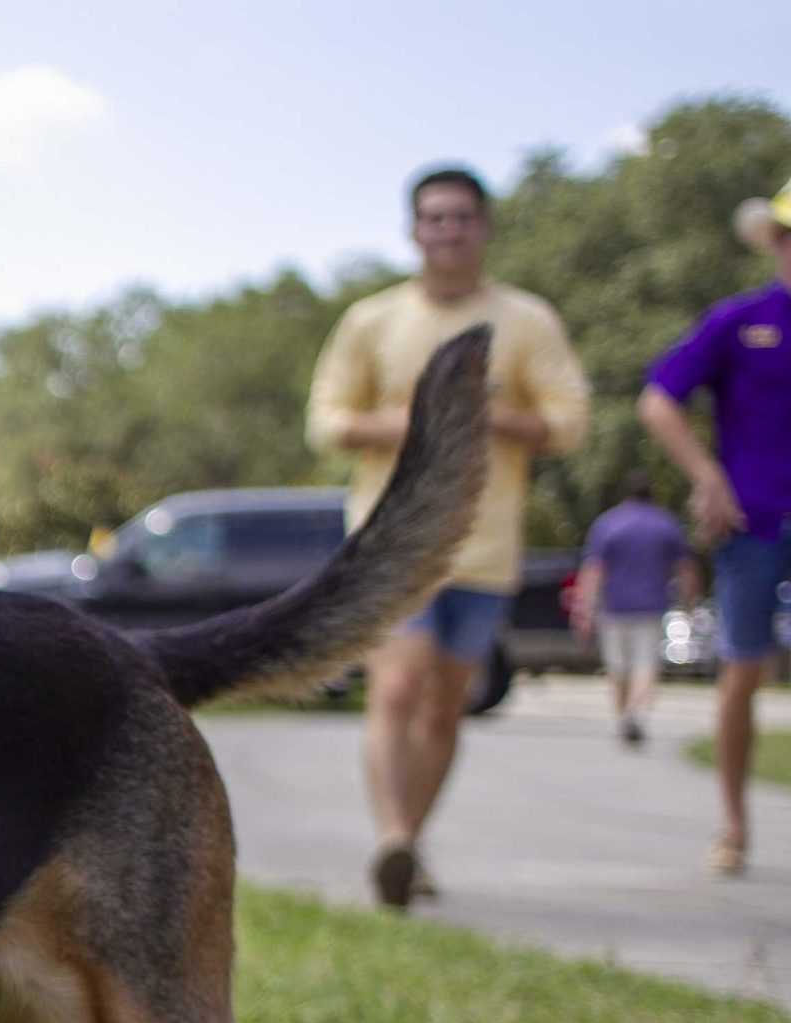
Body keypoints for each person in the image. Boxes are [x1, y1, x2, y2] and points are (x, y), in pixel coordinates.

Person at [307, 164, 590, 910]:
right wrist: (423, 413)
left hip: (486, 545)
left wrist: (484, 412)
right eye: (433, 218)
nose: (447, 230)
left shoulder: (525, 320)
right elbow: (328, 421)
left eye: (461, 217)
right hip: (395, 539)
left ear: (483, 228)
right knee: (398, 684)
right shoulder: (372, 321)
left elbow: (569, 422)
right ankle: (394, 837)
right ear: (413, 230)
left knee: (444, 705)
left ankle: (411, 839)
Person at [638, 178, 791, 876]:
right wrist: (707, 476)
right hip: (754, 522)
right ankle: (733, 826)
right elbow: (659, 399)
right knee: (742, 670)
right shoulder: (742, 321)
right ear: (775, 242)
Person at [572, 474, 695, 746]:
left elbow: (594, 571)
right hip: (651, 607)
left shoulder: (607, 523)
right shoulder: (667, 524)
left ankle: (622, 718)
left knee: (617, 667)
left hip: (613, 607)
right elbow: (685, 569)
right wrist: (689, 603)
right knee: (645, 666)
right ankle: (636, 714)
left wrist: (584, 608)